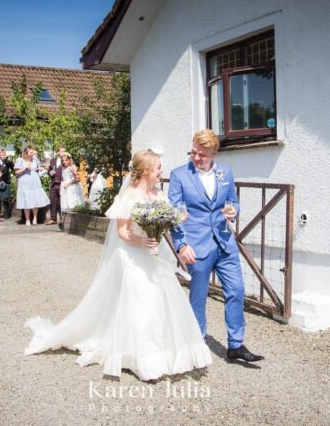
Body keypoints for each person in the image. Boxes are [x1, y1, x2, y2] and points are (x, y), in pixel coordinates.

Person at [25, 150, 212, 380]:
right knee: (141, 302)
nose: (161, 171)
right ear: (145, 171)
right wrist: (142, 239)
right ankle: (141, 357)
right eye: (158, 167)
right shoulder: (130, 197)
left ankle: (162, 352)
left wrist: (173, 221)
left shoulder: (158, 194)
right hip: (133, 255)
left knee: (160, 300)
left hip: (154, 255)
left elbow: (167, 220)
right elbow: (123, 232)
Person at [169, 129, 264, 363]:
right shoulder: (179, 175)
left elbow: (233, 200)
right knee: (198, 297)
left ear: (213, 153)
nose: (196, 157)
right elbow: (173, 213)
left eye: (202, 154)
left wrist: (234, 210)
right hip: (196, 246)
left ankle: (235, 345)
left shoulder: (225, 173)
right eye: (193, 152)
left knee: (237, 291)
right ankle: (197, 344)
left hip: (224, 243)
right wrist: (181, 245)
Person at [15, 146, 49, 226]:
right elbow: (16, 172)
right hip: (24, 182)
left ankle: (35, 218)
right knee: (26, 201)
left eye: (33, 152)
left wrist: (42, 168)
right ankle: (27, 219)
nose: (33, 154)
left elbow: (38, 167)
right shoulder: (20, 160)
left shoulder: (35, 160)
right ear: (26, 153)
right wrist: (25, 167)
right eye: (31, 152)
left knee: (35, 200)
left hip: (34, 182)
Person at [46, 146, 66, 224]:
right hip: (54, 183)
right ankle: (53, 219)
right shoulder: (53, 160)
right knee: (53, 201)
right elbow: (49, 170)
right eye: (61, 151)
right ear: (57, 152)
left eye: (64, 151)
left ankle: (62, 218)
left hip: (62, 183)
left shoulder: (66, 160)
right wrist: (49, 172)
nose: (62, 153)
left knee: (62, 202)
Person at [0, 149, 15, 220]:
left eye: (4, 155)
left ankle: (6, 214)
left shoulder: (7, 162)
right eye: (2, 155)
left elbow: (13, 168)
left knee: (6, 198)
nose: (3, 156)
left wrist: (9, 161)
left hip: (6, 181)